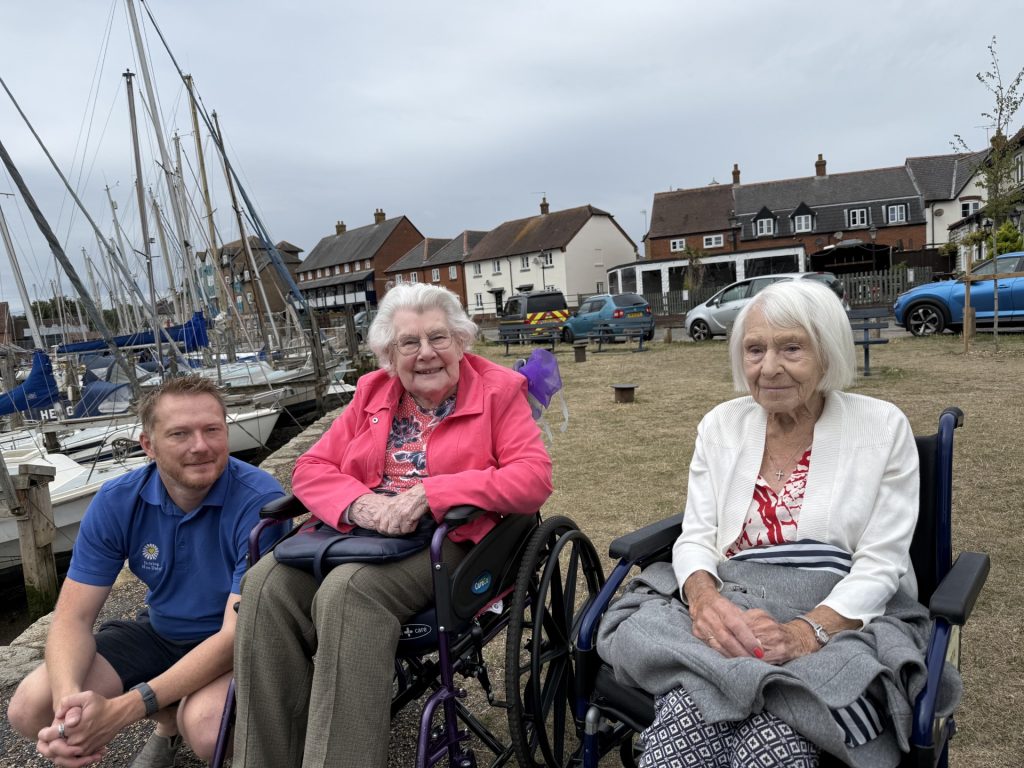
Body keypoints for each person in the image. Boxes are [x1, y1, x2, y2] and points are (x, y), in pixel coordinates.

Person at [598, 280, 959, 767]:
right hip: (735, 605)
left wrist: (805, 633)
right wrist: (704, 602)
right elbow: (698, 535)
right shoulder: (720, 425)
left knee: (773, 740)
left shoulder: (881, 427)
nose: (769, 367)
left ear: (826, 353)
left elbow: (881, 564)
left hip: (840, 614)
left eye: (791, 347)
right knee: (681, 723)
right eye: (754, 349)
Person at [233, 283, 553, 768]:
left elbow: (532, 479)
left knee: (348, 592)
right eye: (409, 343)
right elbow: (310, 469)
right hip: (359, 534)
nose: (426, 354)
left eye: (438, 338)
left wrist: (433, 492)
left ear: (462, 341)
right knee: (263, 585)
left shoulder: (498, 392)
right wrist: (359, 505)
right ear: (389, 353)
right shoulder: (372, 393)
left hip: (450, 542)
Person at [7, 375, 285, 768]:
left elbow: (233, 636)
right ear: (148, 446)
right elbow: (73, 617)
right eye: (179, 434)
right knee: (31, 707)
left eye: (212, 430)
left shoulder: (261, 502)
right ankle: (169, 722)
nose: (201, 446)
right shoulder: (118, 500)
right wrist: (71, 709)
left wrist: (122, 710)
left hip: (240, 642)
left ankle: (198, 725)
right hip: (163, 632)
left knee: (207, 729)